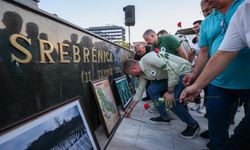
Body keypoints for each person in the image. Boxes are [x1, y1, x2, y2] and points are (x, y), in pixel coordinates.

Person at [180, 0, 250, 148]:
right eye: (203, 11)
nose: (208, 5)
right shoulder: (207, 23)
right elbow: (218, 53)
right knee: (216, 123)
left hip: (247, 82)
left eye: (207, 8)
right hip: (218, 82)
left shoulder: (244, 6)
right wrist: (195, 79)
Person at [123, 51, 200, 139]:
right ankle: (165, 116)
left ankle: (193, 125)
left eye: (131, 73)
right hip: (170, 75)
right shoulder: (142, 74)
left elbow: (173, 68)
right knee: (151, 90)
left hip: (182, 71)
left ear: (134, 69)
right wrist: (130, 108)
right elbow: (139, 91)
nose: (132, 75)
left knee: (171, 101)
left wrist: (170, 92)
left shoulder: (149, 59)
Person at [142, 29, 189, 123]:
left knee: (172, 101)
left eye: (147, 39)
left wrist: (186, 72)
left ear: (153, 35)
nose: (147, 42)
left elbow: (182, 53)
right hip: (168, 76)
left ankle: (191, 123)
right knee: (152, 90)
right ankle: (164, 114)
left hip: (179, 72)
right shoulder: (152, 49)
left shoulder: (169, 39)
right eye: (145, 40)